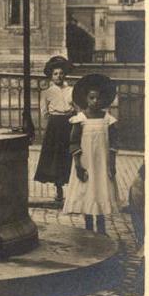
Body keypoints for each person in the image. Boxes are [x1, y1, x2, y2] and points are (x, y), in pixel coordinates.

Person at [63, 73, 119, 234]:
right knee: (87, 192)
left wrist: (112, 164)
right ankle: (88, 228)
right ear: (86, 99)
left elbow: (113, 144)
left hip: (102, 164)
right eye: (92, 98)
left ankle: (101, 228)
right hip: (86, 163)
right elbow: (73, 143)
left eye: (99, 98)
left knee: (100, 191)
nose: (95, 101)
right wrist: (78, 165)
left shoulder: (108, 119)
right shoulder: (80, 119)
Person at [34, 56, 75, 203]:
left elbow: (76, 108)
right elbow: (44, 112)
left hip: (69, 123)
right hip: (55, 125)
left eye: (61, 73)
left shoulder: (71, 90)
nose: (59, 76)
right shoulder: (47, 92)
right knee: (56, 157)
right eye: (55, 74)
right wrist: (53, 122)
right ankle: (58, 188)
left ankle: (74, 189)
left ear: (65, 74)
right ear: (51, 76)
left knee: (69, 154)